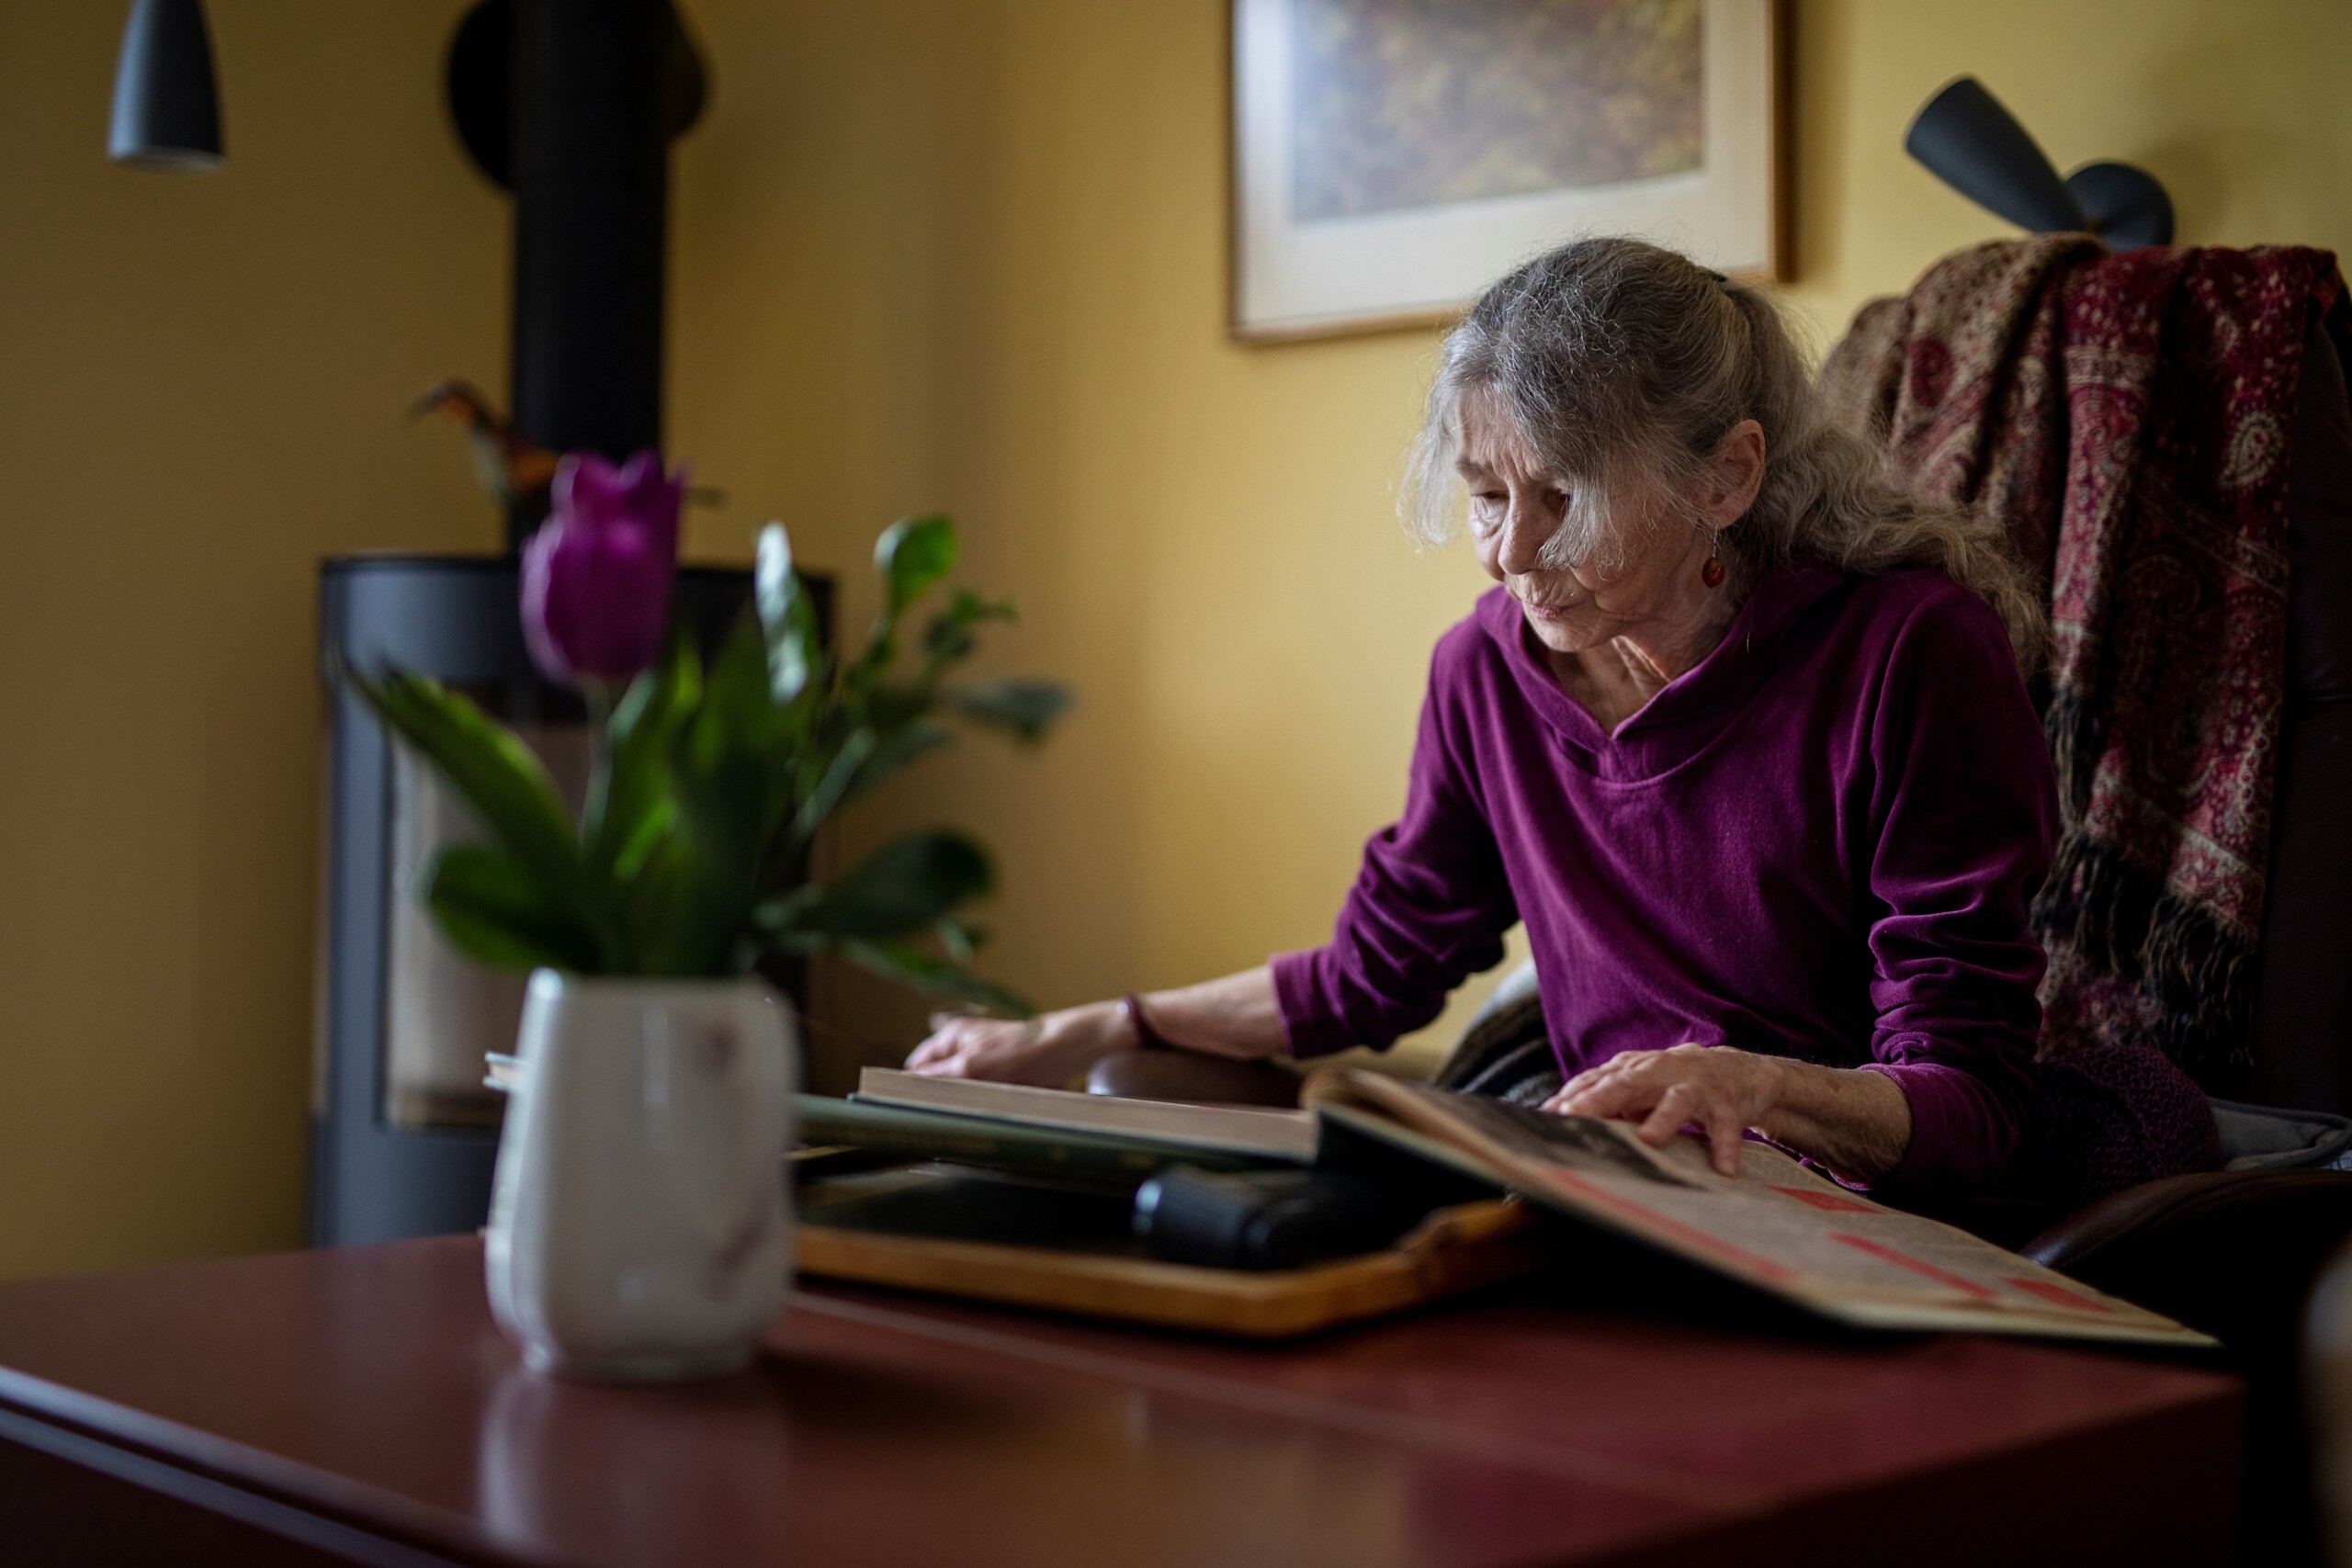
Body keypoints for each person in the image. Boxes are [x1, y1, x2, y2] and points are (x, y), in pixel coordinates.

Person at [907, 235, 2066, 1196]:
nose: (1512, 552)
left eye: (1565, 495)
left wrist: (1752, 1084)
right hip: (1609, 1178)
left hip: (1828, 1189)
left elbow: (1968, 1103)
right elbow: (1371, 972)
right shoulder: (1483, 672)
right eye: (1484, 496)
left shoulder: (1909, 655)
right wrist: (1077, 1030)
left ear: (1725, 478)